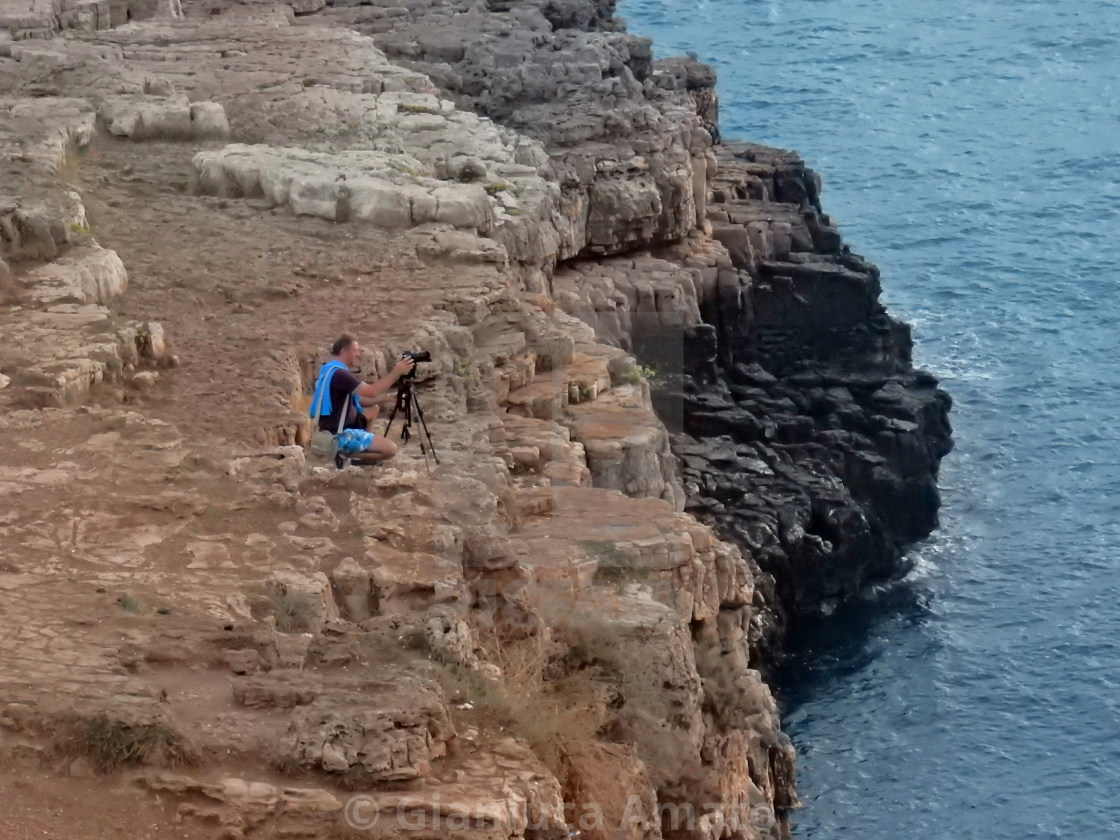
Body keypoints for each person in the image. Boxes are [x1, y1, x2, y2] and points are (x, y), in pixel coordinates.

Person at [310, 333, 415, 465]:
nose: (358, 354)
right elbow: (372, 392)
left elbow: (362, 401)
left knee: (373, 408)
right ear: (344, 351)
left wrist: (391, 397)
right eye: (355, 350)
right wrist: (397, 371)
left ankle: (363, 446)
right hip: (340, 434)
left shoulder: (328, 371)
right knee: (391, 450)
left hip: (333, 427)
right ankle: (346, 455)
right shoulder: (340, 375)